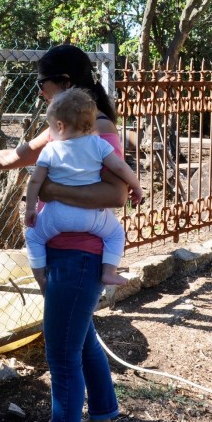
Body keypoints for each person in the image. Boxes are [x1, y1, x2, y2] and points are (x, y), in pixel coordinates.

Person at [0, 44, 124, 422]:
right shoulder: (66, 127)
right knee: (81, 335)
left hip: (78, 255)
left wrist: (47, 187)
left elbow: (116, 195)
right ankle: (102, 418)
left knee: (61, 356)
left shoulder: (99, 130)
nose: (39, 92)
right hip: (66, 253)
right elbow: (13, 157)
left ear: (66, 83)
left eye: (42, 83)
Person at [24, 88, 143, 287]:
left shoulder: (50, 149)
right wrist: (137, 187)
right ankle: (109, 272)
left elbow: (35, 181)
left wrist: (30, 210)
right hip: (91, 216)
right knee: (115, 234)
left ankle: (41, 278)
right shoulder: (98, 144)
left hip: (56, 215)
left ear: (60, 126)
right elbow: (121, 167)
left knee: (33, 238)